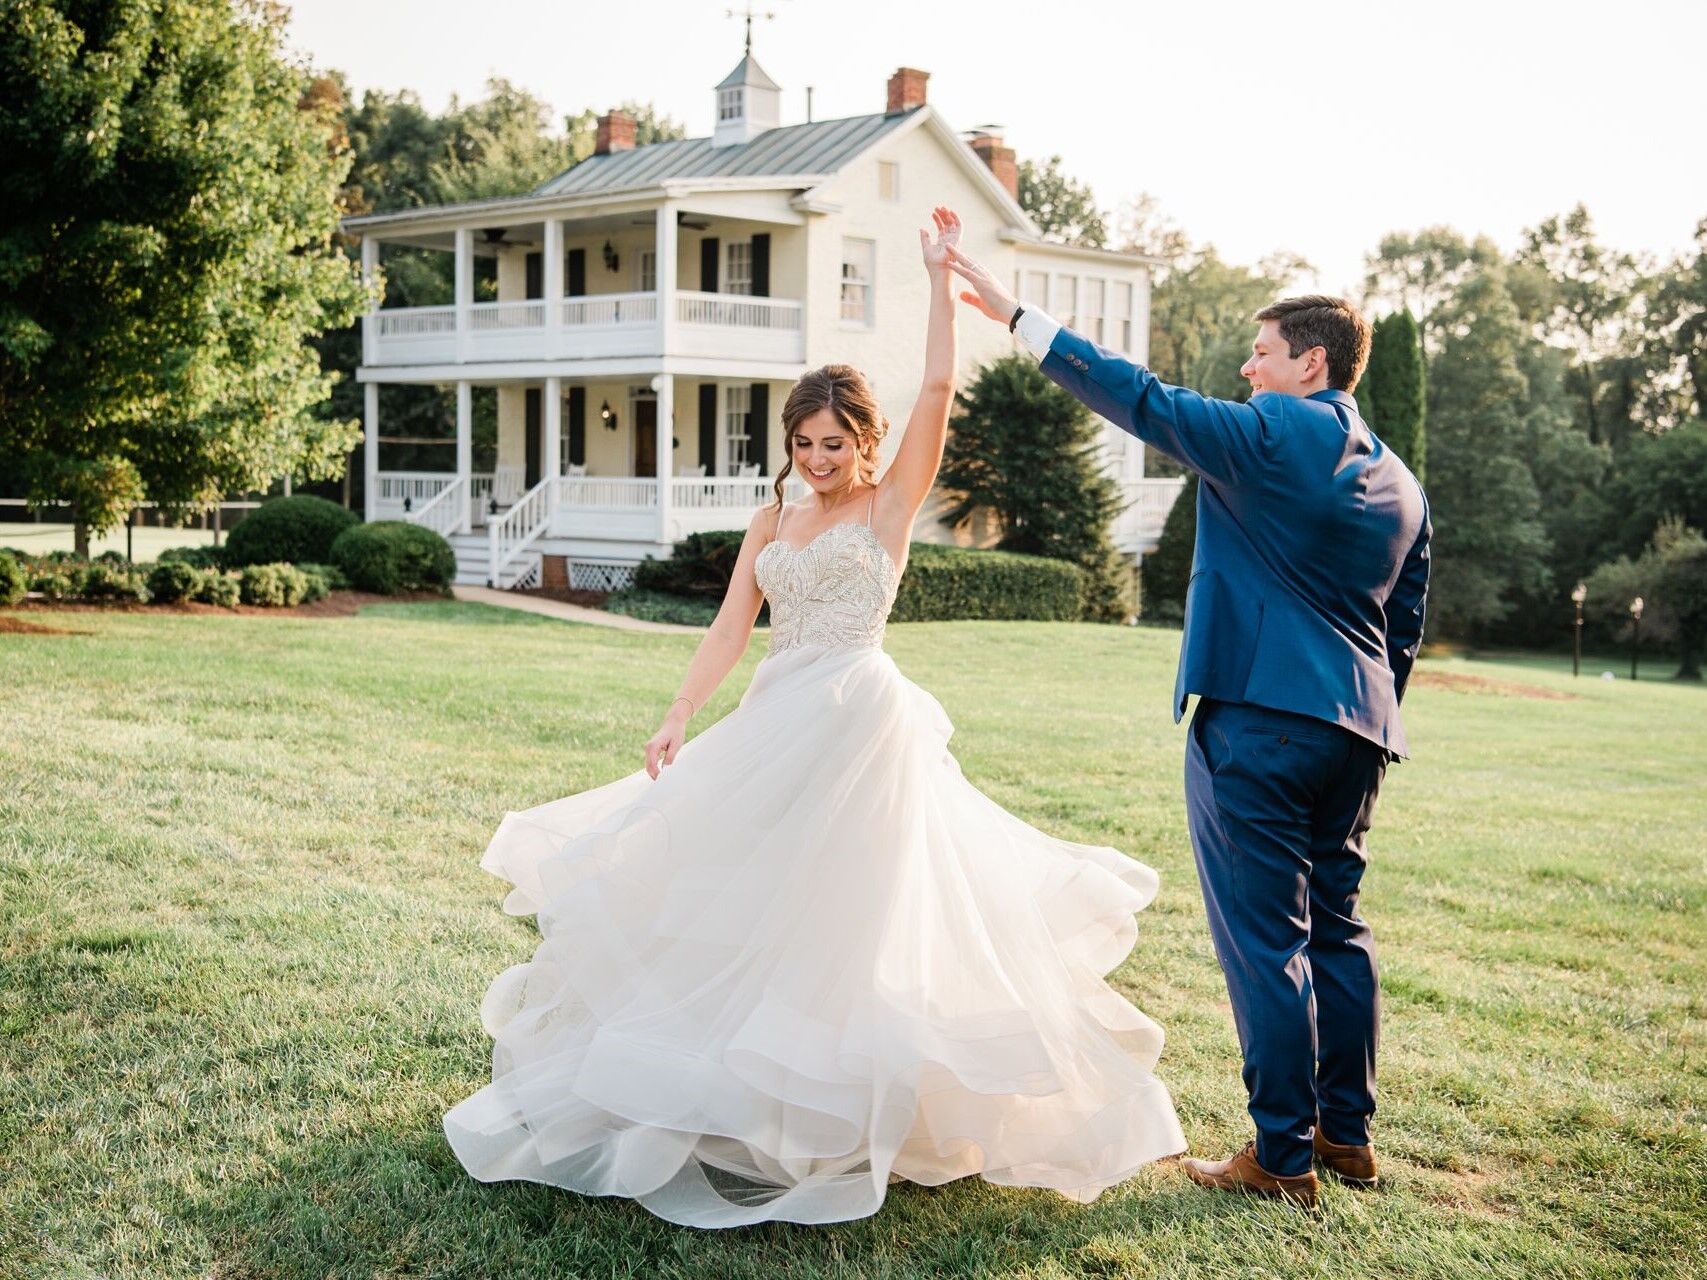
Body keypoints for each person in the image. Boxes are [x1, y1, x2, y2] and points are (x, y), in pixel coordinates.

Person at [442, 207, 1186, 1228]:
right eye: (803, 441)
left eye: (834, 441)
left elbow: (935, 388)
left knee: (851, 911)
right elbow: (728, 628)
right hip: (773, 715)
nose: (818, 455)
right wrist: (678, 713)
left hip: (861, 719)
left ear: (862, 441)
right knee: (746, 898)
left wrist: (939, 281)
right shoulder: (772, 517)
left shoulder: (887, 508)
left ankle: (844, 1101)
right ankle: (740, 1086)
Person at [946, 246, 1430, 1210]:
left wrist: (1016, 317)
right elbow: (1403, 623)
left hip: (1257, 727)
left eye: (1261, 352)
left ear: (1310, 366)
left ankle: (1280, 1156)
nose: (1247, 369)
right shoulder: (1401, 484)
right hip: (1359, 733)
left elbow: (1141, 399)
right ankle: (1347, 1135)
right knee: (1338, 928)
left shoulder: (1269, 433)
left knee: (1265, 942)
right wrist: (1361, 717)